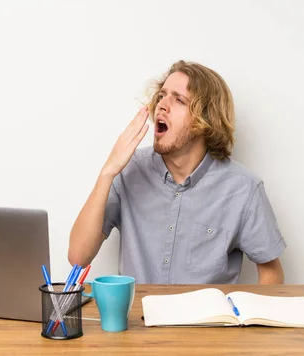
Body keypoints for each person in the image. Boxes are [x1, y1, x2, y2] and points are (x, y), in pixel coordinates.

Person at [68, 60, 286, 284]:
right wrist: (107, 172)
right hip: (137, 317)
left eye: (179, 99)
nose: (162, 105)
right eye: (162, 96)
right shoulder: (129, 169)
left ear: (206, 120)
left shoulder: (243, 189)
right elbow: (78, 257)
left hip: (205, 319)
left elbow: (271, 270)